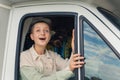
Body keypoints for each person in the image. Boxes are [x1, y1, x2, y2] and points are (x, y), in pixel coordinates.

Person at [20, 17, 85, 80]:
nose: (42, 33)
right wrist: (69, 69)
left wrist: (74, 49)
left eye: (46, 31)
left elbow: (68, 66)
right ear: (32, 36)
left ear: (50, 36)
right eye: (38, 30)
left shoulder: (53, 55)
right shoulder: (24, 57)